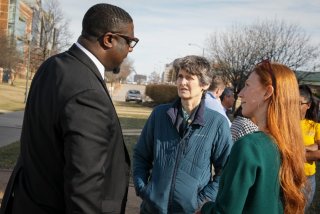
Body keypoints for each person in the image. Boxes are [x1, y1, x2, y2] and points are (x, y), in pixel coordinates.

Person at [0, 3, 138, 214]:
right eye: (129, 41)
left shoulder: (52, 65)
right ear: (109, 39)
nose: (130, 49)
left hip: (26, 202)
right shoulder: (88, 92)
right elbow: (85, 185)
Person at [200, 60, 306, 213]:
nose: (240, 93)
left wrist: (205, 208)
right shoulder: (289, 145)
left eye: (247, 86)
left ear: (267, 92)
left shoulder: (249, 146)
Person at [133, 55, 233, 214]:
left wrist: (202, 202)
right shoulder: (159, 115)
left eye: (189, 78)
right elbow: (141, 155)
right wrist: (143, 189)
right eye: (180, 76)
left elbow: (226, 170)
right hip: (152, 209)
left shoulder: (217, 123)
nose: (182, 82)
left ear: (204, 84)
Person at [299, 84, 320, 210]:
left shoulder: (314, 126)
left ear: (308, 105)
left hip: (307, 179)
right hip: (286, 176)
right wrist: (310, 148)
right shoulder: (284, 124)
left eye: (298, 103)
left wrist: (300, 149)